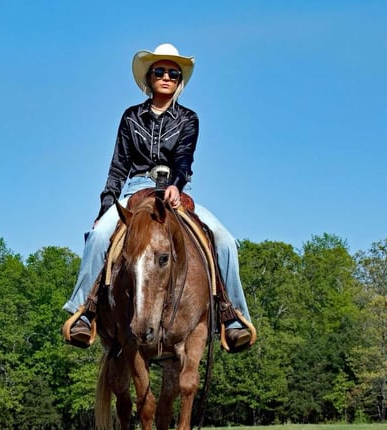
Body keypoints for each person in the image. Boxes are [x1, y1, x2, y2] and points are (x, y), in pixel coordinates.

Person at [63, 43, 253, 351]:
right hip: (135, 188)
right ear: (149, 78)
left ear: (179, 82)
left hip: (176, 191)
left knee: (225, 241)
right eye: (160, 72)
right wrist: (106, 207)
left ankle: (232, 316)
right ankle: (85, 310)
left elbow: (185, 158)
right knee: (97, 236)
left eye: (173, 74)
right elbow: (118, 166)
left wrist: (176, 184)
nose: (166, 77)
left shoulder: (189, 119)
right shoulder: (131, 117)